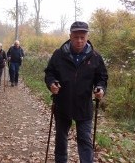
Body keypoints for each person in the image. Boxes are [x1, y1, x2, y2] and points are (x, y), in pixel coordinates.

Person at [44, 21, 108, 163]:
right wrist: (51, 83)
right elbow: (49, 73)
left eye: (82, 37)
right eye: (76, 37)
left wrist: (100, 88)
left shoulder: (95, 57)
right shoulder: (59, 54)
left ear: (87, 37)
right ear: (70, 36)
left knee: (85, 141)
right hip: (62, 104)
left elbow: (102, 77)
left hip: (84, 106)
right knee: (61, 141)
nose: (79, 40)